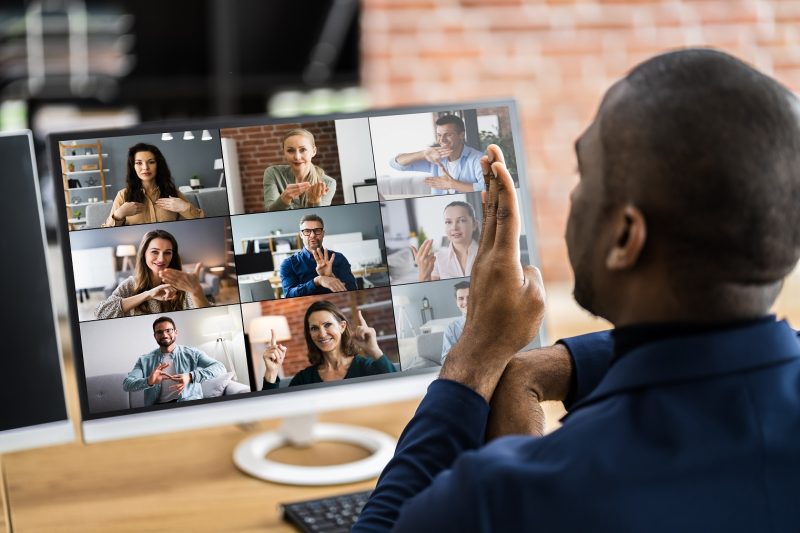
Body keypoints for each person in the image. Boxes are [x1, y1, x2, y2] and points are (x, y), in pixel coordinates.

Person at [355, 49, 800, 532]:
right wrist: (562, 365)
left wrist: (479, 353)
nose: (572, 194)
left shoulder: (506, 497)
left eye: (584, 173)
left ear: (625, 238)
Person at [262, 300, 397, 389]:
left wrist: (374, 350)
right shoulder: (304, 379)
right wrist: (271, 372)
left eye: (328, 325)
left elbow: (397, 388)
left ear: (342, 326)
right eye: (314, 328)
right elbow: (273, 411)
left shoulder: (366, 368)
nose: (322, 334)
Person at [95, 229, 211, 318]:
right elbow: (101, 313)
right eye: (155, 252)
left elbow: (205, 314)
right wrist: (148, 294)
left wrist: (197, 292)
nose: (161, 259)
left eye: (167, 253)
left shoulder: (180, 284)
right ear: (144, 254)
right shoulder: (130, 284)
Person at [122, 316, 226, 405]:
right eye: (159, 332)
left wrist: (190, 376)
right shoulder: (144, 360)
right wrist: (149, 381)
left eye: (168, 330)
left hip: (189, 405)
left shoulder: (193, 353)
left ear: (176, 332)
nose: (164, 335)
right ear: (155, 336)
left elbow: (220, 367)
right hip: (157, 409)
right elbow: (127, 385)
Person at [102, 143, 204, 227]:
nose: (145, 167)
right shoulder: (123, 195)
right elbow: (105, 231)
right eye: (139, 163)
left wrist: (184, 207)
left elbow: (201, 223)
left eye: (151, 162)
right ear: (133, 167)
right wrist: (119, 214)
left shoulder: (173, 192)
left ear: (158, 165)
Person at [389, 114, 484, 195]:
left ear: (461, 135)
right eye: (439, 135)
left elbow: (490, 189)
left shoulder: (479, 159)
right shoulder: (434, 157)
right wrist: (423, 154)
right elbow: (396, 164)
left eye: (448, 134)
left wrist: (452, 184)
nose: (442, 140)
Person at [279, 213, 358, 298]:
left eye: (317, 230)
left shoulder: (338, 258)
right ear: (301, 235)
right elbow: (289, 295)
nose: (312, 235)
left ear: (323, 233)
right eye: (307, 231)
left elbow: (353, 289)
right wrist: (317, 281)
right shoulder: (288, 264)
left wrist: (331, 276)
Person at [262, 128, 337, 211]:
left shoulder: (328, 183)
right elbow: (270, 213)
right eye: (290, 150)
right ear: (284, 152)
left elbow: (317, 218)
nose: (297, 157)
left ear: (314, 151)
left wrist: (314, 202)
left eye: (303, 150)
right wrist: (285, 198)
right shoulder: (273, 173)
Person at [411, 201, 479, 281]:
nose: (454, 227)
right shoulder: (437, 259)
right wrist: (423, 273)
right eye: (448, 222)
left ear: (474, 225)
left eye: (462, 220)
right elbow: (432, 290)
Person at [440, 280, 469, 364]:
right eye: (461, 298)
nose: (466, 302)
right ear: (456, 302)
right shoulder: (451, 328)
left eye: (470, 297)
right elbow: (445, 360)